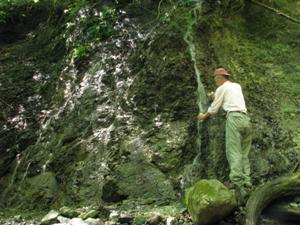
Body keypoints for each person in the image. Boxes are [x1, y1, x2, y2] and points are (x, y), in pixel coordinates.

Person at [197, 67, 252, 205]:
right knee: (244, 153)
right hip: (246, 119)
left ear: (220, 78)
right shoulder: (236, 86)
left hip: (233, 118)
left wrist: (203, 116)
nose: (216, 82)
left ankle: (238, 187)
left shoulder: (221, 88)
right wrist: (215, 95)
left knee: (233, 151)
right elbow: (227, 96)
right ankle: (247, 182)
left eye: (216, 79)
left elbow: (214, 108)